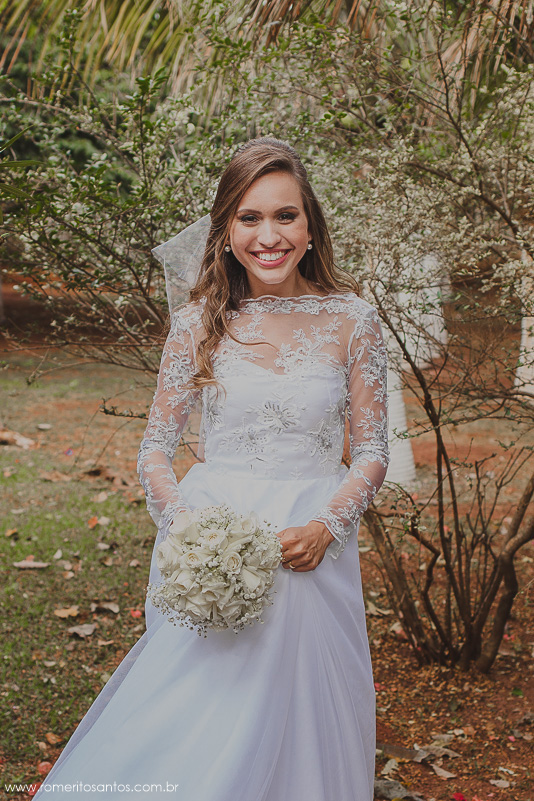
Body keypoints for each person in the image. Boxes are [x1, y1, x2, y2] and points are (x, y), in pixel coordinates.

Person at [35, 137, 390, 801]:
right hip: (214, 538)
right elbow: (154, 450)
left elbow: (371, 451)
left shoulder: (353, 320)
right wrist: (187, 527)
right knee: (199, 711)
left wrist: (328, 524)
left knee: (304, 714)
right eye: (249, 218)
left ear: (310, 227)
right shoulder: (199, 322)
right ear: (226, 232)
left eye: (285, 215)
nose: (269, 235)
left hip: (311, 549)